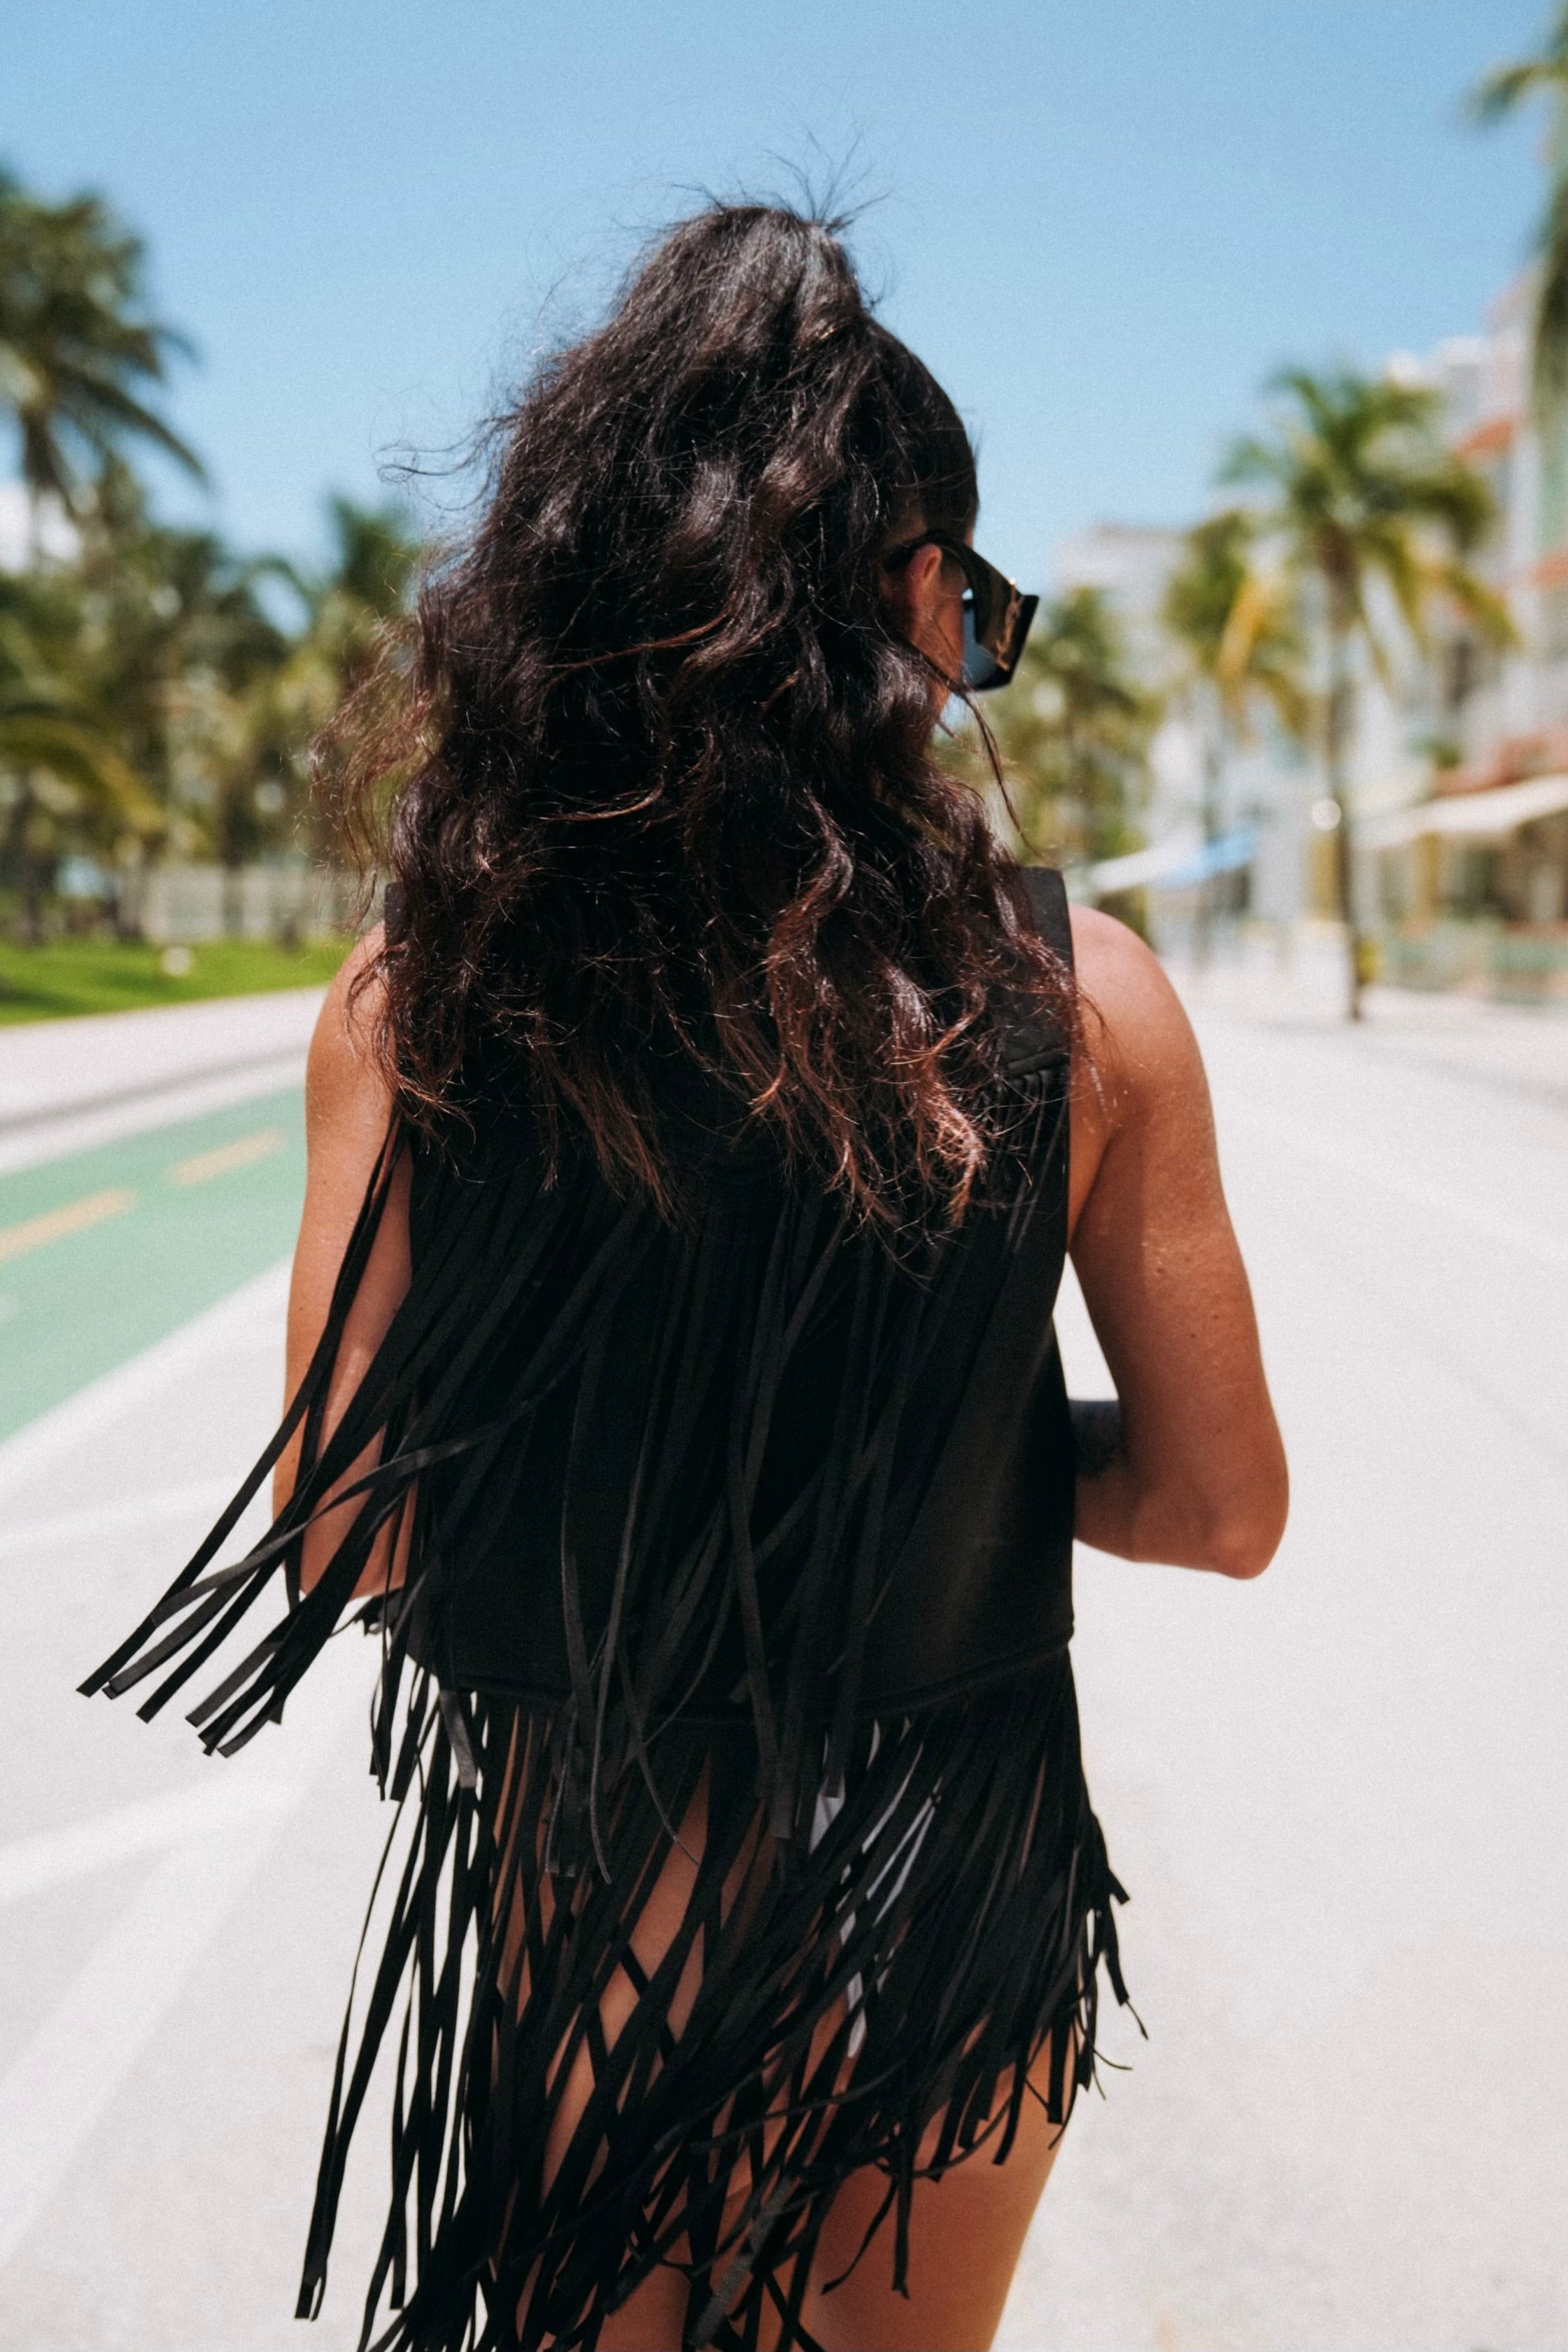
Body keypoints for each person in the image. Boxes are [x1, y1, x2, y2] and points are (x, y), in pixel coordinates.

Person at [85, 203, 1287, 2352]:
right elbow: (1219, 1506)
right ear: (914, 597)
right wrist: (929, 1441)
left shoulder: (418, 997)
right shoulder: (1082, 997)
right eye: (975, 612)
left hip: (598, 1873)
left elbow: (353, 1530)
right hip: (952, 1862)